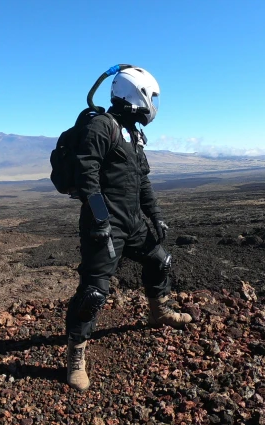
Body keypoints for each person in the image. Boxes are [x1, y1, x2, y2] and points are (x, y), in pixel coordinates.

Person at [64, 66, 192, 391]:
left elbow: (142, 181)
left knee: (159, 260)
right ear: (137, 94)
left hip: (133, 221)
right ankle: (76, 356)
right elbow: (86, 177)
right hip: (105, 223)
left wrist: (155, 215)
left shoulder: (132, 133)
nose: (154, 105)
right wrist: (99, 220)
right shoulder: (102, 126)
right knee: (94, 292)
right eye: (152, 98)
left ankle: (158, 312)